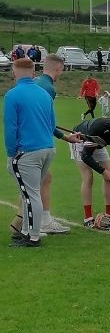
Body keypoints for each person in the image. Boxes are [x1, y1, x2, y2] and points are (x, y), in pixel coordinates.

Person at [19, 54, 80, 236]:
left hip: (25, 139)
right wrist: (65, 137)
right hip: (37, 142)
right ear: (58, 68)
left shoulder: (36, 81)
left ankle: (33, 221)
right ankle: (41, 221)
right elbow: (46, 121)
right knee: (40, 181)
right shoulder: (48, 88)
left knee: (41, 180)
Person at [4, 58, 56, 247]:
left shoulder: (12, 95)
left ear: (14, 72)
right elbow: (51, 125)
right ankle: (26, 231)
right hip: (47, 149)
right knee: (29, 193)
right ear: (33, 73)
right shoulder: (45, 95)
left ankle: (33, 236)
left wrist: (11, 153)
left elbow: (11, 128)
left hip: (27, 151)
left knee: (30, 195)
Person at [70, 117, 110, 228]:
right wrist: (103, 171)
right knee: (88, 177)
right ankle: (88, 218)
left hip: (98, 144)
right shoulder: (98, 128)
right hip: (80, 141)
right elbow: (85, 156)